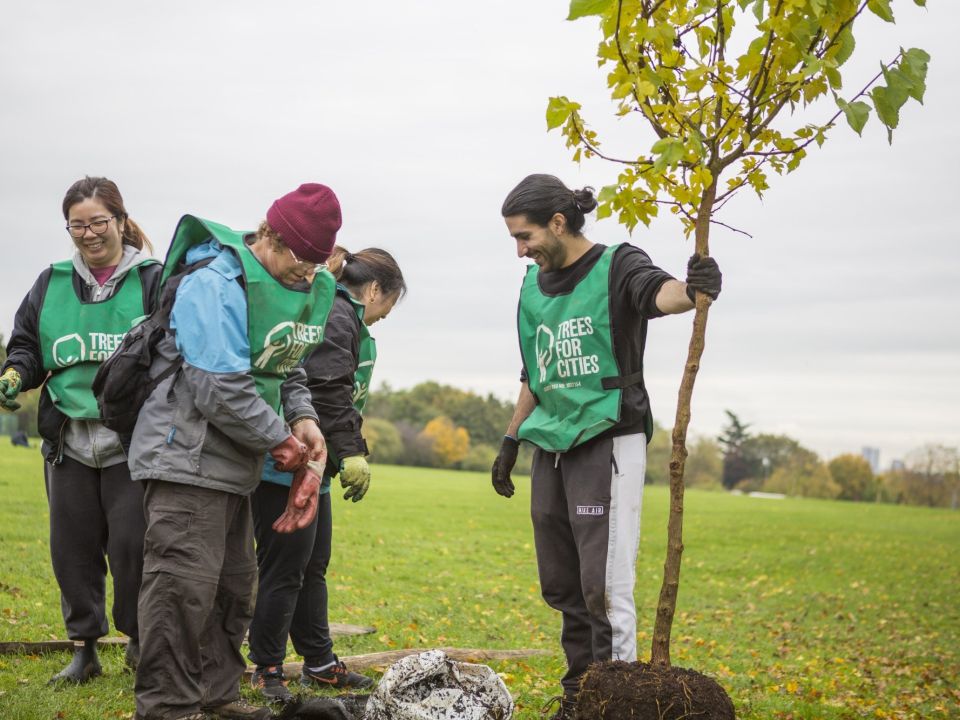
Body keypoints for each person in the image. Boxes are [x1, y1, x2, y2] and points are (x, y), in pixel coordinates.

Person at [490, 174, 722, 719]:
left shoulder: (617, 264)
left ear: (558, 222)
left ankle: (612, 705)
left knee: (604, 587)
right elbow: (535, 373)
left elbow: (657, 295)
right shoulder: (531, 287)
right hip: (550, 445)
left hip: (607, 440)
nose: (521, 250)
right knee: (563, 584)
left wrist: (693, 290)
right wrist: (510, 437)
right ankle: (578, 695)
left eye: (525, 237)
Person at [128, 184, 342, 720]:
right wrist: (281, 440)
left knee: (233, 589)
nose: (308, 276)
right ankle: (168, 708)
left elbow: (286, 360)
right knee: (182, 589)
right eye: (302, 261)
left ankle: (216, 698)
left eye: (319, 266)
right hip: (186, 459)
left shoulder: (286, 283)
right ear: (268, 235)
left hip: (235, 466)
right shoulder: (215, 282)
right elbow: (217, 385)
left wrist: (305, 419)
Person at [1, 176, 160, 684]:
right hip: (68, 439)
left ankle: (139, 640)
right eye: (77, 225)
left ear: (119, 220)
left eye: (97, 222)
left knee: (133, 548)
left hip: (129, 441)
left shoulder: (153, 280)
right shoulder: (50, 281)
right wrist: (14, 373)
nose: (88, 234)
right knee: (72, 549)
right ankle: (84, 649)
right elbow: (26, 345)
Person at [248, 246, 406, 704]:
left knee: (312, 565)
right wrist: (354, 452)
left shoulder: (348, 318)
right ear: (375, 289)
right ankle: (267, 667)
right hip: (287, 464)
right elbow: (327, 392)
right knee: (284, 568)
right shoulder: (337, 314)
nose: (386, 315)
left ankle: (318, 662)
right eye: (390, 303)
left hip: (317, 467)